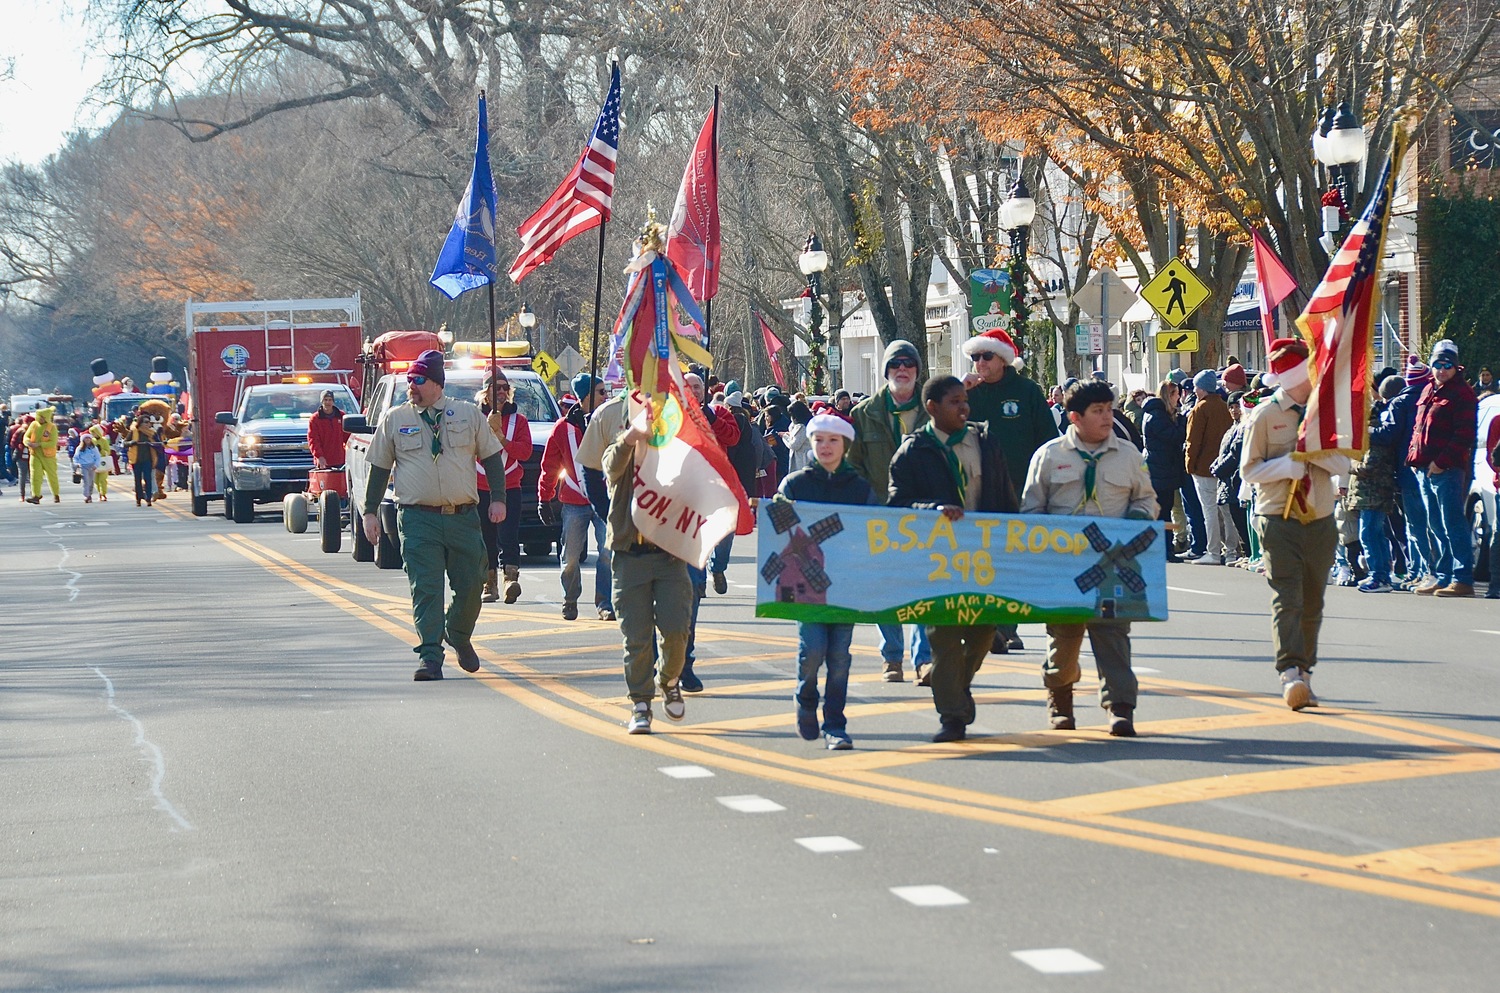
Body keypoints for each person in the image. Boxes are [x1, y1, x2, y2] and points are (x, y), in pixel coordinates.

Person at [1020, 380, 1158, 736]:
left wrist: (1140, 518)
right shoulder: (1048, 456)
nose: (1107, 417)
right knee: (1064, 639)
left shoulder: (1129, 455)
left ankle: (1120, 708)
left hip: (1115, 563)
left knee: (1113, 637)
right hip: (1065, 567)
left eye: (1109, 409)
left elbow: (1147, 499)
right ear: (1074, 417)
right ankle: (1060, 699)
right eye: (1098, 411)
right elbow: (1031, 509)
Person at [361, 350, 508, 681]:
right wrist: (370, 511)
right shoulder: (396, 419)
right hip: (417, 519)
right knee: (426, 588)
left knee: (472, 583)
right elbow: (380, 467)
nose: (411, 386)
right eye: (409, 380)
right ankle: (430, 656)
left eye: (418, 380)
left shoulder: (468, 415)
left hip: (462, 516)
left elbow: (492, 458)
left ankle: (457, 631)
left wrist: (498, 498)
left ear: (436, 384)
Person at [889, 375, 1019, 742]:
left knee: (982, 634)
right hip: (937, 562)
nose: (964, 407)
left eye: (965, 401)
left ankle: (957, 689)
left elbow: (1004, 497)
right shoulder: (914, 450)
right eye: (954, 402)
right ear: (932, 407)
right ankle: (952, 716)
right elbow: (897, 505)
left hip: (983, 558)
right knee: (943, 638)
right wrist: (931, 509)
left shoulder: (985, 441)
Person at [1240, 338, 1349, 710]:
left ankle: (1306, 673)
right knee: (1288, 597)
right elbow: (1248, 470)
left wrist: (1320, 457)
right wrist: (1287, 466)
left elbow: (1345, 463)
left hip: (1319, 516)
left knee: (1314, 599)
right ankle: (1289, 672)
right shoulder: (1265, 415)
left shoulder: (1324, 412)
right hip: (1278, 517)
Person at [779, 413, 877, 749]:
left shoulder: (860, 488)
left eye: (833, 441)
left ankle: (835, 723)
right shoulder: (795, 484)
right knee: (813, 650)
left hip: (845, 586)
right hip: (807, 587)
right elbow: (779, 525)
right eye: (819, 440)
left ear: (845, 446)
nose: (825, 446)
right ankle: (805, 698)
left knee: (839, 657)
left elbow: (872, 531)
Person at [960, 327, 1059, 655]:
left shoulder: (1027, 391)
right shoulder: (966, 394)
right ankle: (980, 626)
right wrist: (961, 393)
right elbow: (939, 427)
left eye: (986, 356)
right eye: (975, 357)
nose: (980, 363)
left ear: (1002, 358)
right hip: (975, 488)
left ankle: (1006, 628)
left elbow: (1048, 440)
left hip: (1017, 489)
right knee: (976, 560)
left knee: (1008, 561)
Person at [603, 396, 692, 734]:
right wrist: (630, 437)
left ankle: (669, 679)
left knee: (675, 631)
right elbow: (610, 466)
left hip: (669, 557)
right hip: (630, 557)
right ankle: (641, 703)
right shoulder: (624, 448)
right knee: (636, 639)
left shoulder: (677, 452)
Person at [849, 339, 932, 682]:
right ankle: (891, 657)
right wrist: (867, 506)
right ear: (885, 371)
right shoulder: (862, 414)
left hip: (925, 518)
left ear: (917, 371)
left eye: (908, 364)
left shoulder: (933, 412)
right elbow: (852, 468)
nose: (902, 370)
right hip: (879, 517)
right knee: (885, 587)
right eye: (895, 365)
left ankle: (924, 659)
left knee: (923, 587)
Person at [1407, 339, 1478, 597]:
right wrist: (1414, 459)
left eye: (1447, 364)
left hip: (1447, 470)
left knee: (1452, 524)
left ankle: (1462, 579)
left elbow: (1464, 435)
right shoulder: (1428, 389)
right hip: (1423, 468)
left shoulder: (1463, 393)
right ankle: (1444, 575)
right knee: (1435, 524)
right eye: (1437, 363)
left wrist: (1440, 463)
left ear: (1456, 366)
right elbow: (1418, 429)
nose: (1442, 369)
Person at [541, 373, 614, 621]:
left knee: (607, 553)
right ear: (586, 397)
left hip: (604, 500)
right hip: (574, 502)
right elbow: (549, 465)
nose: (606, 397)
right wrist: (545, 497)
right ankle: (570, 598)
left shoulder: (607, 422)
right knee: (571, 557)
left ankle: (604, 603)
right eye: (601, 392)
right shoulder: (563, 428)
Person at [476, 373, 533, 605]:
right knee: (485, 536)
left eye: (505, 388)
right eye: (495, 387)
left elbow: (525, 452)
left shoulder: (519, 422)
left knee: (508, 534)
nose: (501, 392)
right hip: (480, 485)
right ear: (485, 392)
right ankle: (488, 582)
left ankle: (510, 578)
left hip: (510, 485)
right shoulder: (476, 419)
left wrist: (501, 438)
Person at [1348, 376, 1404, 593]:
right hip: (1369, 492)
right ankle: (1382, 574)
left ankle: (1378, 575)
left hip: (1374, 491)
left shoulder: (1373, 435)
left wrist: (1350, 464)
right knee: (1375, 533)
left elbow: (1368, 465)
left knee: (1369, 533)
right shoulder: (1370, 433)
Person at [1387, 357, 1435, 589]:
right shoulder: (1429, 400)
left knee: (1414, 524)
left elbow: (1391, 434)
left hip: (1407, 470)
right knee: (1428, 523)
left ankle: (1424, 570)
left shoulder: (1400, 403)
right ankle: (1420, 570)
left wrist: (1369, 431)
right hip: (1425, 467)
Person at [1184, 368, 1233, 564]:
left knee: (1209, 511)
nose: (1194, 390)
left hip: (1203, 467)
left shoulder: (1199, 409)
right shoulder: (1224, 406)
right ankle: (1231, 550)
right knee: (1226, 511)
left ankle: (1213, 552)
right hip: (1223, 466)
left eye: (1196, 386)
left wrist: (1189, 465)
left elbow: (1192, 441)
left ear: (1202, 389)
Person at [1142, 379, 1186, 561]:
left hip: (1159, 468)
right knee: (1163, 512)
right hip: (1160, 470)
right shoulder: (1158, 416)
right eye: (1176, 394)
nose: (1179, 398)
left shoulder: (1155, 414)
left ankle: (1162, 549)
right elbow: (1174, 437)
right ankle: (1165, 550)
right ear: (1169, 396)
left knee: (1162, 511)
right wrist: (1182, 422)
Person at [24, 406, 61, 504]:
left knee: (51, 475)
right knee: (35, 475)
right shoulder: (34, 425)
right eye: (39, 416)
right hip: (35, 454)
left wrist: (40, 444)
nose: (40, 418)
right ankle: (36, 496)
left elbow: (53, 442)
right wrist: (27, 442)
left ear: (47, 417)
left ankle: (56, 494)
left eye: (42, 417)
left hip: (48, 456)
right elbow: (26, 436)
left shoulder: (51, 427)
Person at [307, 389, 348, 469]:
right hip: (323, 461)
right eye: (325, 400)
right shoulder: (315, 419)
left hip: (340, 460)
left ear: (333, 401)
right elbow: (313, 440)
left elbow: (348, 437)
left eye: (330, 400)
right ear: (322, 401)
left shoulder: (341, 416)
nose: (328, 402)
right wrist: (319, 456)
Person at [75, 434, 104, 503]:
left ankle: (90, 494)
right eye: (86, 439)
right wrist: (77, 464)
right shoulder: (79, 448)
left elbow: (98, 457)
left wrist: (96, 465)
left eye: (89, 438)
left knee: (91, 482)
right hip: (83, 466)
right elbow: (76, 458)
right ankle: (86, 495)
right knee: (86, 481)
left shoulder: (94, 448)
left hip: (92, 466)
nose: (87, 440)